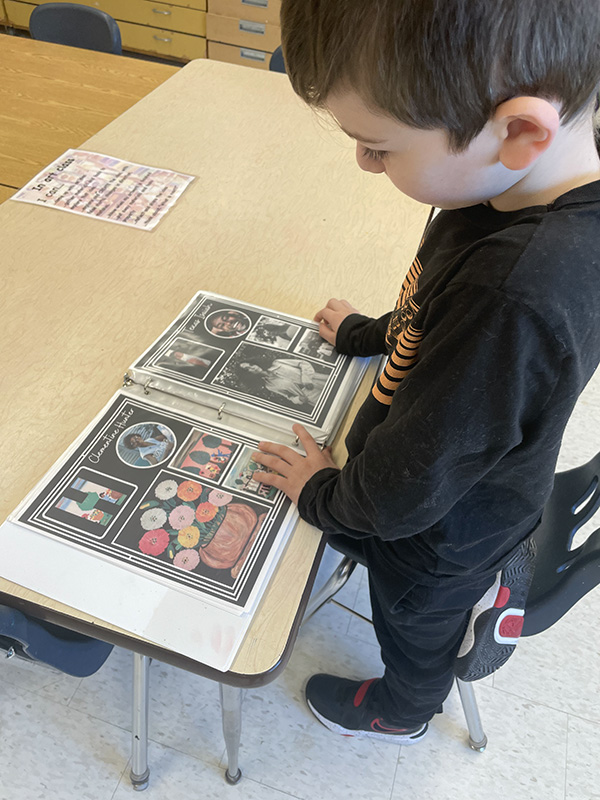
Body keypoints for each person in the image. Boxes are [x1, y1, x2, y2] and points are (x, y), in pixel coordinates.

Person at [252, 0, 600, 746]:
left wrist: (320, 494)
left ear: (518, 131)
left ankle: (404, 709)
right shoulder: (503, 186)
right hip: (467, 468)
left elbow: (403, 491)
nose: (364, 163)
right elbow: (438, 313)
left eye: (379, 146)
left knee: (413, 622)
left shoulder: (514, 293)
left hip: (438, 534)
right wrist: (370, 333)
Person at [239, 358, 327, 406]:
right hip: (313, 397)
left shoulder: (277, 362)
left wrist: (306, 378)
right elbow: (289, 396)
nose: (253, 367)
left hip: (321, 381)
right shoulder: (269, 386)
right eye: (248, 369)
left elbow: (302, 363)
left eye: (251, 364)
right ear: (249, 375)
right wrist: (298, 400)